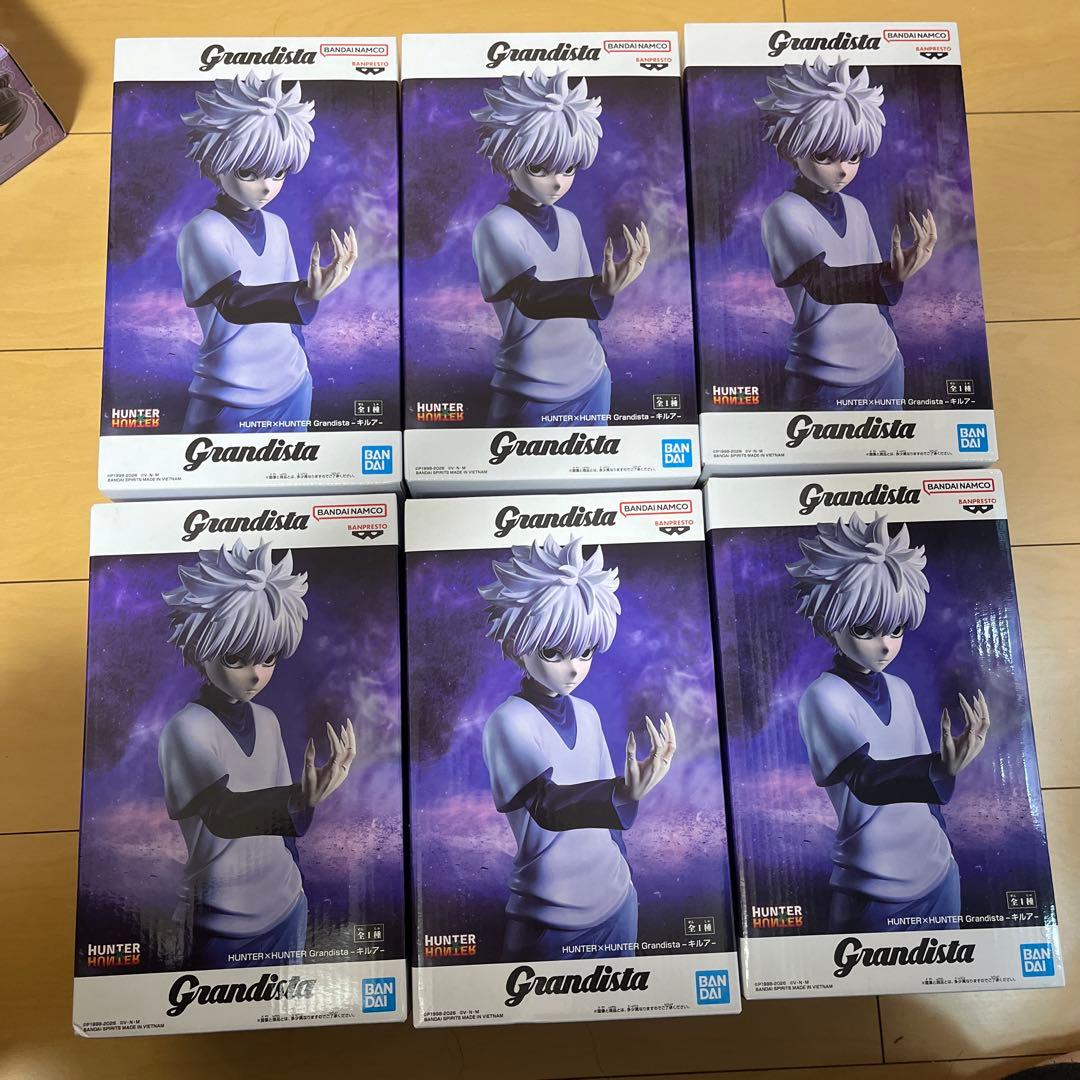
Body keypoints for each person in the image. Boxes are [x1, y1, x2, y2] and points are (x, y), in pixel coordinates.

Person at [787, 512, 990, 933]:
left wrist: (942, 826)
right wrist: (939, 767)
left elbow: (927, 798)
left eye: (896, 629)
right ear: (829, 625)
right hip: (872, 886)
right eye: (866, 629)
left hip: (939, 873)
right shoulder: (823, 697)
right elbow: (867, 780)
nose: (885, 645)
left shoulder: (900, 688)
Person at [159, 539, 355, 967]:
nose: (256, 675)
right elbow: (223, 814)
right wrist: (299, 799)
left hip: (287, 906)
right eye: (236, 658)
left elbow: (285, 829)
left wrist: (304, 806)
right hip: (218, 921)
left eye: (268, 658)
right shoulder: (187, 728)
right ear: (200, 650)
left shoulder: (267, 720)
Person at [479, 535, 676, 961]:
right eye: (554, 651)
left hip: (617, 900)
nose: (573, 668)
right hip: (547, 916)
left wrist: (626, 868)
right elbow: (548, 806)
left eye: (585, 652)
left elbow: (609, 824)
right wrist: (622, 791)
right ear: (516, 645)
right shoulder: (508, 721)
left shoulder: (587, 713)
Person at [177, 71, 357, 434]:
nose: (266, 187)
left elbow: (290, 319)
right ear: (215, 163)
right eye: (249, 172)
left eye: (278, 173)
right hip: (228, 394)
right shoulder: (203, 230)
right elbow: (234, 303)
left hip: (293, 384)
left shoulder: (277, 226)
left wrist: (303, 353)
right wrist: (305, 292)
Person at [471, 68, 650, 428]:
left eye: (568, 168)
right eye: (540, 168)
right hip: (530, 389)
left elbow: (587, 314)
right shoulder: (497, 226)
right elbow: (531, 298)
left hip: (592, 379)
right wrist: (600, 288)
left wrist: (600, 346)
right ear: (507, 160)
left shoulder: (569, 221)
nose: (557, 182)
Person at [757, 57, 938, 410]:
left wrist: (890, 315)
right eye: (826, 156)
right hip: (823, 377)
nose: (843, 170)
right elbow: (822, 283)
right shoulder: (784, 212)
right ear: (794, 150)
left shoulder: (856, 208)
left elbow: (876, 301)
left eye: (853, 157)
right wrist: (888, 275)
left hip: (885, 364)